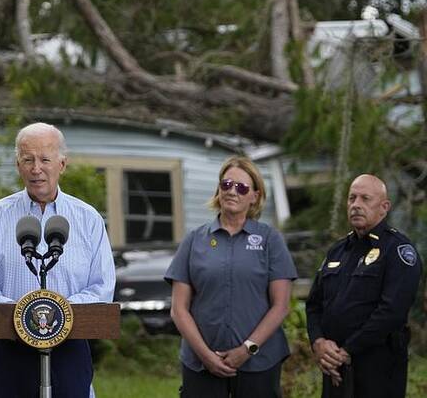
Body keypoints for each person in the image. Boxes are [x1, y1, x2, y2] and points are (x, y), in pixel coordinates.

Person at [0, 122, 115, 398]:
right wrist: (25, 317)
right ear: (17, 164)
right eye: (27, 159)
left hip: (70, 349)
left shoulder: (88, 218)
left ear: (62, 164)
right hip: (10, 349)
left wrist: (57, 317)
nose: (36, 168)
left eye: (45, 159)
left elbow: (102, 288)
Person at [165, 156, 297, 398]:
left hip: (259, 363)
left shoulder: (270, 240)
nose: (232, 191)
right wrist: (205, 355)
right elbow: (178, 309)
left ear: (254, 196)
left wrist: (247, 349)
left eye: (242, 187)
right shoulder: (194, 240)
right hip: (201, 364)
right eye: (226, 184)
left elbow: (281, 306)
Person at [306, 174, 422, 398]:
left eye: (365, 199)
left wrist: (348, 350)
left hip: (377, 368)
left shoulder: (397, 251)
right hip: (334, 367)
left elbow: (392, 312)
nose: (356, 205)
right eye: (352, 198)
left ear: (384, 206)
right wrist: (318, 343)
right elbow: (313, 305)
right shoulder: (338, 250)